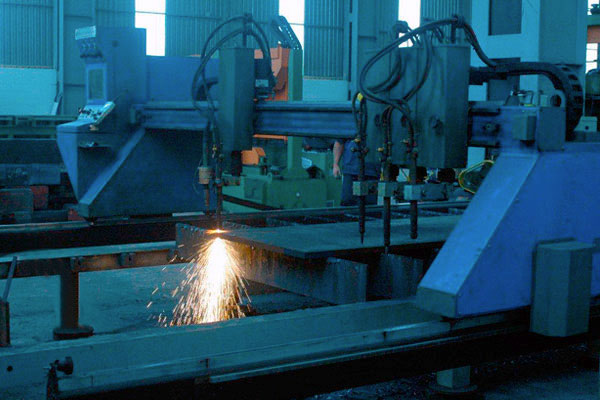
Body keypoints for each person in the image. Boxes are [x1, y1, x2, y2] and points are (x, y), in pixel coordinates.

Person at [333, 139, 379, 206]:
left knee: (370, 205)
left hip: (372, 172)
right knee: (347, 201)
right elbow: (339, 142)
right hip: (350, 170)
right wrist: (335, 164)